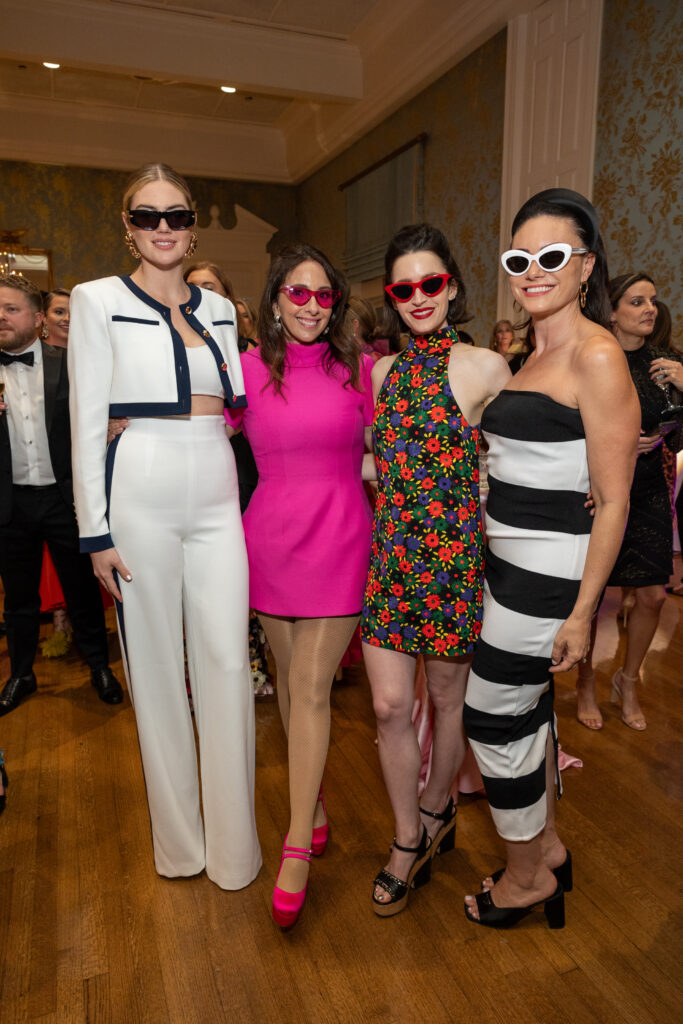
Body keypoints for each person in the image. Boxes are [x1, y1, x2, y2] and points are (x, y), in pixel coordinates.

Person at [68, 162, 260, 890]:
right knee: (152, 670)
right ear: (128, 227)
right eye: (146, 216)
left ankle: (236, 851)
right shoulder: (94, 300)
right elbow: (86, 421)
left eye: (174, 215)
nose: (161, 229)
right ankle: (181, 847)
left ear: (192, 224)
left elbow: (241, 407)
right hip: (139, 488)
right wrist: (96, 532)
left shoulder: (215, 307)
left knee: (224, 666)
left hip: (215, 490)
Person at [462, 188, 639, 929]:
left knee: (490, 715)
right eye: (519, 258)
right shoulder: (529, 351)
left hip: (549, 576)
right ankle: (550, 848)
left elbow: (614, 498)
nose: (533, 271)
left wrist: (580, 611)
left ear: (584, 263)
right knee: (527, 712)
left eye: (552, 256)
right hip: (508, 565)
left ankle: (525, 875)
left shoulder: (596, 356)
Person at [361, 223, 510, 917]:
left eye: (430, 283)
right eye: (403, 288)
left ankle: (434, 808)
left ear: (450, 284)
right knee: (390, 706)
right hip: (391, 558)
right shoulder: (382, 372)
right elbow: (379, 460)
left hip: (452, 561)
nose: (417, 297)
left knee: (448, 703)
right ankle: (404, 836)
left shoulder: (484, 367)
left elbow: (510, 468)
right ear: (391, 298)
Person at [225, 243, 374, 926]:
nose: (312, 306)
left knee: (312, 687)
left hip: (342, 535)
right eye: (298, 293)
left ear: (335, 303)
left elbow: (405, 446)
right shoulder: (245, 370)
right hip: (270, 539)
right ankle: (311, 805)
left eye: (324, 295)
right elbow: (201, 437)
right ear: (275, 299)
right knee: (288, 682)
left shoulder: (361, 372)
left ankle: (293, 845)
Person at [0, 275, 122, 715]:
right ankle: (21, 675)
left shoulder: (68, 364)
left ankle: (98, 667)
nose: (1, 317)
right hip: (8, 504)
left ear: (36, 319)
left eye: (11, 309)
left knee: (82, 591)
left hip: (63, 498)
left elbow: (100, 417)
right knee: (18, 600)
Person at [576, 274, 683, 731]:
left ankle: (628, 677)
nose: (650, 309)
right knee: (594, 595)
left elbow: (676, 432)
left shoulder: (668, 361)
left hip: (649, 490)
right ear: (612, 310)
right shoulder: (595, 358)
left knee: (653, 596)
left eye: (653, 301)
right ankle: (584, 685)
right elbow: (569, 423)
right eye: (637, 301)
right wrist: (612, 448)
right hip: (597, 488)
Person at [38, 289, 73, 655]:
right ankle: (59, 623)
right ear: (43, 317)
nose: (66, 318)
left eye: (72, 312)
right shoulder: (29, 359)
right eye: (59, 311)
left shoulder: (88, 357)